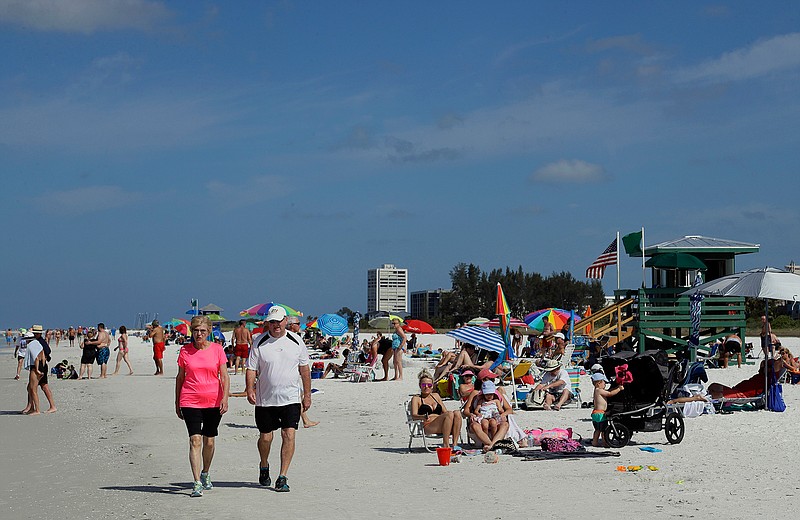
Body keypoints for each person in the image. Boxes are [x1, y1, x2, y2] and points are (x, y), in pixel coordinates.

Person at [246, 306, 311, 493]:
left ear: (285, 322)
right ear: (268, 323)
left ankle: (282, 477)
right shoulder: (259, 342)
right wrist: (249, 388)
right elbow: (251, 368)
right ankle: (264, 464)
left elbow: (304, 370)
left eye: (279, 321)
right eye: (272, 322)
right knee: (266, 438)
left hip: (290, 398)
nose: (276, 325)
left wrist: (307, 395)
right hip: (265, 398)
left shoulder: (296, 341)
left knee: (288, 434)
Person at [175, 315, 230, 497]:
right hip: (190, 400)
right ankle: (197, 481)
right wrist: (177, 402)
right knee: (195, 440)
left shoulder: (217, 349)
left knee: (209, 440)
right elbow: (180, 378)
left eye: (203, 331)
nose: (199, 334)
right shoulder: (185, 351)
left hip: (213, 400)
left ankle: (205, 472)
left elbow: (224, 376)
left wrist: (225, 398)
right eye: (196, 330)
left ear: (209, 332)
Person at [409, 369, 462, 450]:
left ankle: (455, 444)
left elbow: (445, 412)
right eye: (424, 385)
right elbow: (414, 415)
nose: (426, 387)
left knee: (457, 413)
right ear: (420, 385)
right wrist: (423, 417)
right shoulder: (416, 399)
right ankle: (446, 444)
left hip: (442, 424)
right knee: (450, 414)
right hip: (429, 425)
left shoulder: (436, 396)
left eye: (429, 385)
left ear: (432, 386)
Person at [287, 316, 318, 428]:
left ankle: (305, 420)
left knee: (298, 396)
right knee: (296, 397)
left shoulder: (295, 338)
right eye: (298, 323)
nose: (299, 325)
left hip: (293, 374)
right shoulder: (292, 338)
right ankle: (305, 420)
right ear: (291, 325)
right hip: (290, 375)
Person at [708, 356, 785, 399]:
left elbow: (779, 364)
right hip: (737, 389)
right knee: (713, 385)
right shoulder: (761, 374)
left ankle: (703, 398)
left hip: (744, 394)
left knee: (716, 395)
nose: (763, 367)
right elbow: (762, 363)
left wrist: (783, 356)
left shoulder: (771, 377)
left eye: (766, 366)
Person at [464, 380, 511, 452]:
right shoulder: (476, 395)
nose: (489, 396)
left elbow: (509, 409)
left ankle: (491, 444)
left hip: (494, 416)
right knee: (477, 425)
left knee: (503, 424)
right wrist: (472, 414)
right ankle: (491, 444)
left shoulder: (497, 398)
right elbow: (466, 411)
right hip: (483, 416)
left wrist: (502, 414)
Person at [22, 325, 56, 415]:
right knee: (33, 387)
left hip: (39, 366)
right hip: (42, 366)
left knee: (34, 388)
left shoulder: (38, 342)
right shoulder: (39, 341)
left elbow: (41, 355)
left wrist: (38, 368)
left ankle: (36, 409)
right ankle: (31, 407)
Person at [590, 372, 624, 447]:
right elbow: (609, 394)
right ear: (599, 383)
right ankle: (605, 443)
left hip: (595, 413)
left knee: (597, 430)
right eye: (604, 382)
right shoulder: (599, 390)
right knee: (604, 430)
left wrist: (615, 388)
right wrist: (619, 389)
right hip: (600, 414)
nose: (605, 384)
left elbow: (609, 391)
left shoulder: (596, 390)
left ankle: (594, 442)